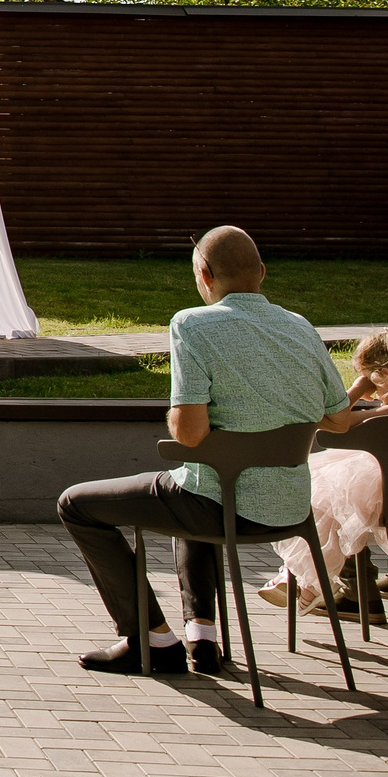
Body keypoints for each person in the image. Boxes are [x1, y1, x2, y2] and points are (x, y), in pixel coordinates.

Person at [56, 226, 352, 675]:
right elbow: (340, 419)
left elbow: (189, 435)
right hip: (290, 508)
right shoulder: (301, 327)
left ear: (204, 275)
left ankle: (150, 639)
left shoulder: (192, 323)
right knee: (194, 486)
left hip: (225, 505)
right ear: (263, 274)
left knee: (77, 504)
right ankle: (203, 636)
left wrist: (189, 417)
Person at [257, 328, 388, 609]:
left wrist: (357, 389)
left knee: (328, 491)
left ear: (387, 374)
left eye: (372, 379)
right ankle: (304, 579)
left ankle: (310, 580)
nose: (373, 390)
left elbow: (334, 421)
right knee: (335, 493)